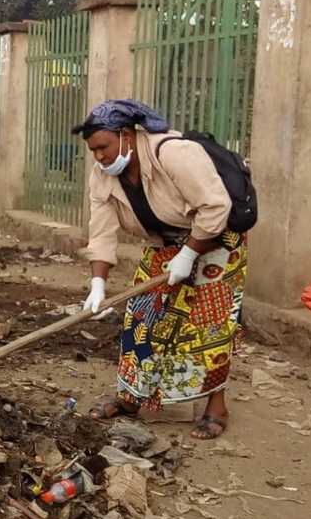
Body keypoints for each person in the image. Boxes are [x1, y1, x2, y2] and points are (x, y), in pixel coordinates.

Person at [74, 99, 246, 440]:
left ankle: (216, 406)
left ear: (126, 134)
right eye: (92, 150)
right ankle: (131, 397)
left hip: (216, 239)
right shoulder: (103, 177)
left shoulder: (174, 154)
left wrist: (189, 254)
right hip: (162, 244)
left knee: (208, 325)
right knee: (141, 318)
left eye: (103, 147)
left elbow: (216, 206)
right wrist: (97, 284)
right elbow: (102, 230)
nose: (99, 156)